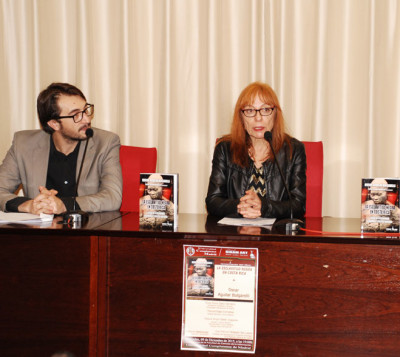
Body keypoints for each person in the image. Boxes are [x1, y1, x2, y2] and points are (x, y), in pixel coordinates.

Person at [0, 82, 122, 214]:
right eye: (76, 115)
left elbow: (112, 197)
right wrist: (28, 205)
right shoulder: (23, 144)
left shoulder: (105, 143)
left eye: (86, 110)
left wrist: (64, 205)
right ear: (54, 124)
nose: (86, 119)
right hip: (39, 230)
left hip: (87, 230)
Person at [205, 81, 306, 219]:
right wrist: (242, 207)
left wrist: (263, 207)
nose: (258, 118)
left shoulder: (294, 150)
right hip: (234, 236)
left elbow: (298, 205)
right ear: (241, 117)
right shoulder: (225, 149)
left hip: (277, 236)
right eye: (250, 110)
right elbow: (212, 201)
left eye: (265, 110)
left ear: (275, 114)